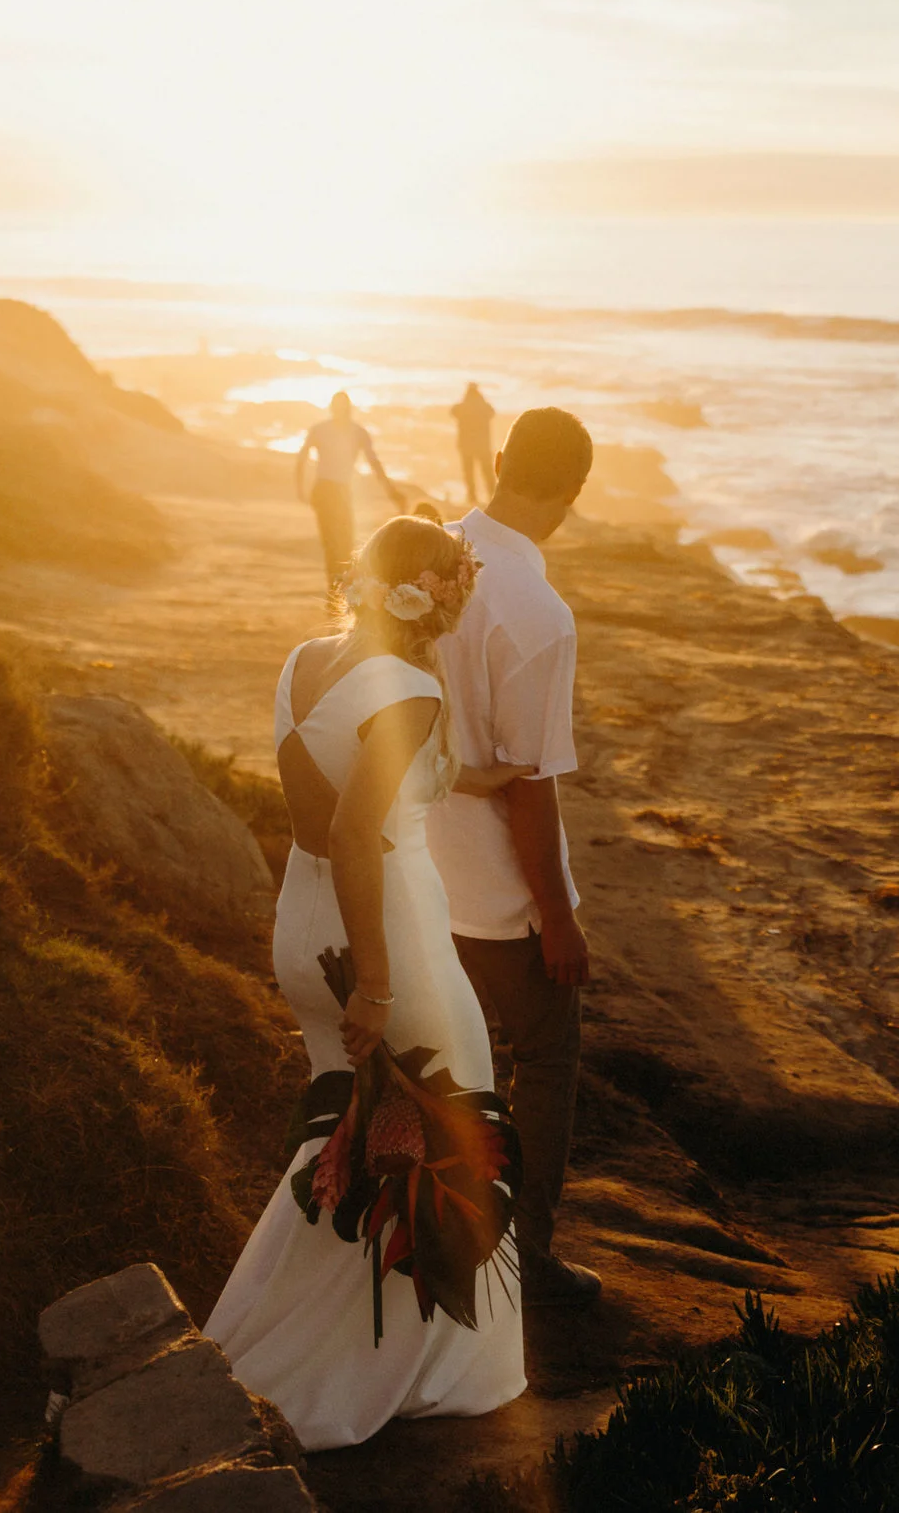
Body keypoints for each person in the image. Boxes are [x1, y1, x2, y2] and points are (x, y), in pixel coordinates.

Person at [204, 516, 532, 1450]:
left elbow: (333, 781)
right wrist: (378, 984)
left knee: (345, 1141)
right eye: (456, 581)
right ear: (433, 593)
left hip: (302, 924)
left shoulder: (307, 659)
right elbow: (359, 831)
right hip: (384, 935)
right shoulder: (413, 689)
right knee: (447, 1128)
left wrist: (478, 774)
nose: (462, 595)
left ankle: (277, 1344)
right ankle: (412, 1371)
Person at [426, 406, 603, 1305]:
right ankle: (520, 1255)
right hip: (497, 891)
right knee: (546, 1056)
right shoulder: (538, 612)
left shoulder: (424, 560)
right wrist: (558, 915)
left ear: (498, 459)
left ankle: (440, 1232)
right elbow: (530, 783)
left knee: (446, 1061)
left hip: (418, 872)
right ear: (573, 493)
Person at [297, 392, 404, 588]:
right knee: (335, 543)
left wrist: (391, 490)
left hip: (335, 491)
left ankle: (338, 588)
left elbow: (374, 463)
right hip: (328, 490)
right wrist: (391, 491)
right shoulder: (341, 430)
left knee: (341, 544)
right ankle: (336, 588)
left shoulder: (346, 431)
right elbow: (374, 463)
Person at [451, 382, 498, 507]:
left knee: (469, 473)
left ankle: (472, 497)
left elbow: (453, 411)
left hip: (466, 446)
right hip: (482, 445)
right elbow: (492, 412)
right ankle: (492, 496)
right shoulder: (483, 406)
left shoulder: (463, 406)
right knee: (487, 472)